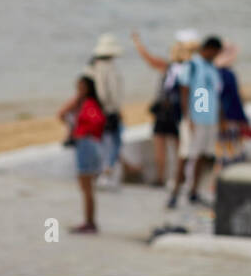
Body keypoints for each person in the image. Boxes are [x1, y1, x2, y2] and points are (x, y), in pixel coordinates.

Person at [133, 29, 197, 187]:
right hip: (180, 113)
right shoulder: (192, 69)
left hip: (164, 112)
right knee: (179, 148)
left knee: (161, 146)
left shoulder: (167, 67)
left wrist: (137, 43)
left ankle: (162, 178)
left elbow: (149, 59)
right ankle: (179, 177)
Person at [168, 35, 223, 210]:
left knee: (202, 155)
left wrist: (220, 119)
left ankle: (193, 191)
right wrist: (187, 116)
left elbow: (216, 95)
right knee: (185, 155)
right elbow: (185, 90)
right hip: (194, 118)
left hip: (209, 119)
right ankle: (175, 193)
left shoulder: (213, 68)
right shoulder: (192, 65)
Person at [57, 73, 106, 234]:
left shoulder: (89, 104)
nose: (79, 90)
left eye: (81, 87)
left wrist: (83, 131)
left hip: (87, 144)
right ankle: (89, 221)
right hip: (85, 144)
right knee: (86, 187)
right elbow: (61, 113)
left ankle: (89, 222)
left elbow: (97, 121)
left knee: (86, 187)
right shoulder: (83, 103)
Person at [88, 33, 127, 187]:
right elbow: (107, 93)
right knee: (113, 143)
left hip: (96, 111)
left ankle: (102, 173)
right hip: (109, 111)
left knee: (103, 142)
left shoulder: (93, 67)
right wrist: (113, 107)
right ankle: (106, 172)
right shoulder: (109, 68)